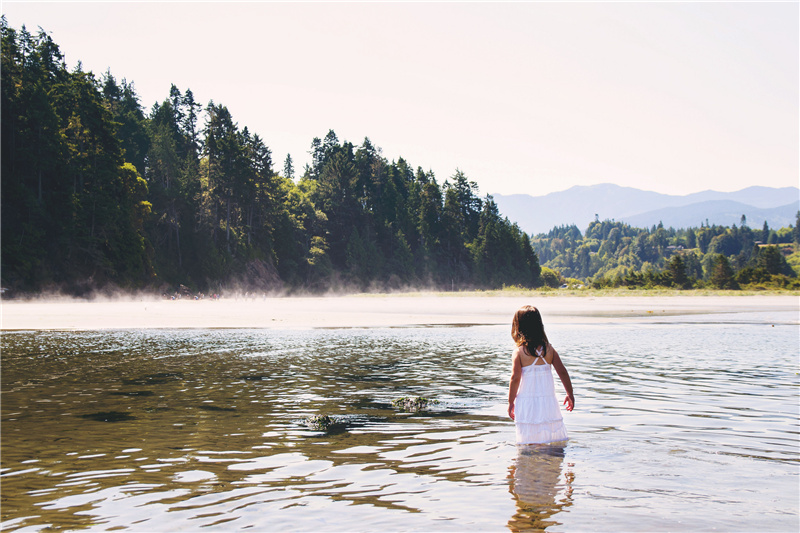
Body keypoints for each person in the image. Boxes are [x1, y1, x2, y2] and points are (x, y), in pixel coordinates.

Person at [508, 305, 574, 444]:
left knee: (529, 439)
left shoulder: (519, 352)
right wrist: (569, 393)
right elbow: (562, 371)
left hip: (527, 401)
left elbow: (515, 378)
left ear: (518, 327)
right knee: (549, 433)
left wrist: (510, 402)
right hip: (548, 402)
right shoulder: (549, 349)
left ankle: (532, 460)